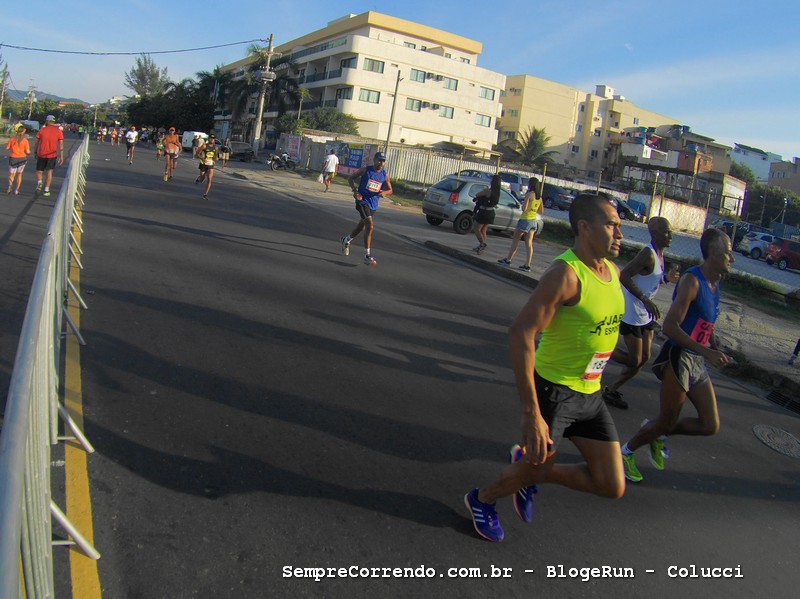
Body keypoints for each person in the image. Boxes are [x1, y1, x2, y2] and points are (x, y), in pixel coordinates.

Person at [464, 193, 626, 542]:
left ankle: (535, 474)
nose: (620, 234)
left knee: (611, 485)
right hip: (554, 392)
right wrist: (531, 412)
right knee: (531, 468)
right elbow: (521, 332)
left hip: (591, 394)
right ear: (584, 228)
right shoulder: (565, 276)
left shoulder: (613, 272)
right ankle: (483, 498)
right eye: (612, 225)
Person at [621, 227, 733, 484]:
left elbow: (707, 323)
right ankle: (625, 451)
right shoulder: (692, 281)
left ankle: (658, 434)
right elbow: (670, 327)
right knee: (666, 420)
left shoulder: (716, 284)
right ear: (713, 253)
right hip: (679, 357)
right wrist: (706, 351)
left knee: (709, 425)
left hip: (697, 359)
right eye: (728, 253)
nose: (732, 259)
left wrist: (715, 348)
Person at [602, 216, 681, 409]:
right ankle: (599, 347)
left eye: (671, 232)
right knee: (634, 359)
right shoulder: (648, 254)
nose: (670, 235)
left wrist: (667, 280)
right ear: (655, 234)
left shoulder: (660, 255)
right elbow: (625, 276)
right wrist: (645, 300)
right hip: (632, 312)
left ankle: (611, 389)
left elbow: (649, 280)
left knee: (644, 358)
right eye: (666, 232)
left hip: (645, 314)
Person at [340, 151, 392, 266]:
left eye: (383, 161)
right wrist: (355, 191)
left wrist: (385, 193)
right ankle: (367, 255)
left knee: (362, 226)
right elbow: (351, 178)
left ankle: (347, 240)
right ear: (374, 160)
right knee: (370, 225)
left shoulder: (384, 175)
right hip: (362, 201)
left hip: (373, 204)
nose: (381, 163)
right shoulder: (366, 170)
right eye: (379, 160)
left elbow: (390, 190)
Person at [497, 177, 544, 272]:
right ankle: (528, 265)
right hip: (533, 221)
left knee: (516, 240)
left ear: (531, 185)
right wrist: (533, 209)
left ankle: (508, 259)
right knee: (529, 244)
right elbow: (541, 210)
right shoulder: (539, 198)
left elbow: (524, 208)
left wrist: (526, 206)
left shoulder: (529, 194)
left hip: (525, 219)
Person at [34, 115, 64, 198]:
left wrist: (35, 152)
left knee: (39, 171)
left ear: (47, 121)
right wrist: (61, 156)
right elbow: (61, 144)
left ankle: (40, 182)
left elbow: (36, 142)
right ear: (53, 122)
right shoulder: (58, 131)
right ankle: (46, 190)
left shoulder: (42, 130)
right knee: (49, 172)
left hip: (41, 154)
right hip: (52, 155)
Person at [472, 175, 501, 255]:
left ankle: (482, 244)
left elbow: (477, 194)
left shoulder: (488, 191)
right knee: (483, 230)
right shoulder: (498, 192)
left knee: (477, 228)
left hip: (484, 212)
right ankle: (481, 247)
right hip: (491, 212)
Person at [6, 123, 31, 195]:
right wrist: (28, 153)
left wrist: (12, 146)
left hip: (13, 158)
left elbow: (7, 148)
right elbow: (28, 151)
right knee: (19, 175)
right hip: (22, 159)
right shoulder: (25, 140)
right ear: (23, 131)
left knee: (11, 174)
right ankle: (16, 190)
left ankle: (10, 186)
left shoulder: (12, 139)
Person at [195, 134, 219, 200]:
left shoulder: (216, 148)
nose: (212, 139)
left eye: (213, 139)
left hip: (210, 165)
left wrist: (216, 158)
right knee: (202, 180)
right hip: (203, 164)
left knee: (210, 179)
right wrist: (202, 158)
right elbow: (197, 154)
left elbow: (216, 156)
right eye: (211, 138)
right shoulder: (204, 146)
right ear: (209, 139)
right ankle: (199, 178)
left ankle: (205, 195)